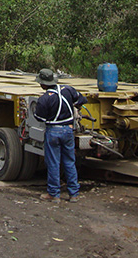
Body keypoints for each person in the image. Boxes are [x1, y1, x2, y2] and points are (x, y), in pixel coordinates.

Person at [33, 68, 87, 203]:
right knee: (69, 162)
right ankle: (74, 194)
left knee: (53, 163)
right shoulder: (68, 90)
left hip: (53, 131)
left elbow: (39, 117)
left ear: (43, 84)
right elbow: (81, 99)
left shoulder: (44, 99)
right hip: (68, 130)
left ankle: (54, 194)